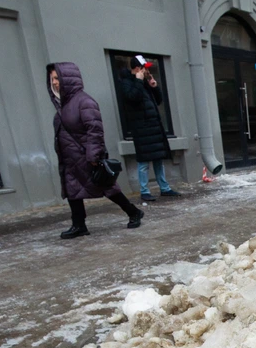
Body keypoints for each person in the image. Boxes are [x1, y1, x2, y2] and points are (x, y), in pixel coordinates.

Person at [47, 62, 143, 239]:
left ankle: (133, 212)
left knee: (107, 188)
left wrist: (93, 156)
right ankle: (79, 225)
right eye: (52, 79)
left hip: (85, 157)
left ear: (68, 79)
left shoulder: (84, 102)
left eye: (57, 78)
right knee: (72, 191)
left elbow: (95, 130)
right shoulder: (63, 105)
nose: (54, 82)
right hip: (70, 158)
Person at [119, 56, 179, 201]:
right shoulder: (127, 83)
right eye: (145, 67)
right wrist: (139, 81)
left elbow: (158, 101)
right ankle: (144, 191)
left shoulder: (145, 83)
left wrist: (154, 87)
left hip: (154, 127)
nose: (147, 70)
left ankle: (164, 188)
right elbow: (133, 97)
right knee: (143, 162)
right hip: (141, 129)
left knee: (159, 159)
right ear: (138, 68)